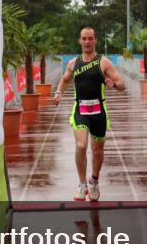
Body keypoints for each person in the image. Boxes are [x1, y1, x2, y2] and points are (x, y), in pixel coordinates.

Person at [52, 27, 126, 201]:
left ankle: (94, 181)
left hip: (99, 112)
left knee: (97, 151)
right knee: (81, 146)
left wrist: (114, 85)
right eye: (84, 38)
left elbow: (122, 84)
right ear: (80, 41)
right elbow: (64, 80)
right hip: (80, 110)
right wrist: (58, 93)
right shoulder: (73, 63)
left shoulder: (104, 62)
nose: (87, 42)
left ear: (95, 40)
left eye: (90, 38)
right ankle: (82, 184)